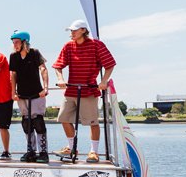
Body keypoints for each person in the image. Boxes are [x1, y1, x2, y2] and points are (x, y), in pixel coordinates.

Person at [52, 20, 116, 163]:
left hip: (89, 90)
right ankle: (71, 148)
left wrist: (104, 81)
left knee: (92, 122)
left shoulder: (96, 45)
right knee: (63, 118)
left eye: (74, 30)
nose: (71, 33)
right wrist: (60, 78)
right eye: (70, 31)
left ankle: (93, 152)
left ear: (83, 30)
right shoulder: (68, 46)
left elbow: (110, 64)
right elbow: (58, 66)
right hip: (71, 90)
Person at [8, 30, 50, 163]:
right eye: (13, 43)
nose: (15, 45)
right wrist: (13, 92)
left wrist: (45, 88)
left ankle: (43, 153)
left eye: (17, 42)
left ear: (24, 42)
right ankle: (30, 151)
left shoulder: (35, 53)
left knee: (38, 122)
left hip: (37, 94)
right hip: (22, 95)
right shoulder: (13, 56)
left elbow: (43, 69)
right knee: (26, 123)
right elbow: (13, 75)